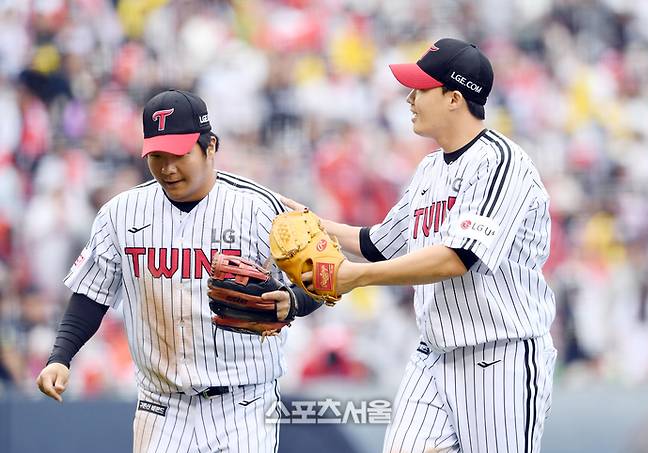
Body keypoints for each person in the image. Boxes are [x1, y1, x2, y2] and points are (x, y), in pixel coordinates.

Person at [285, 38, 557, 453]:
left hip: (499, 357)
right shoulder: (430, 169)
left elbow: (456, 259)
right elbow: (378, 245)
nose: (409, 98)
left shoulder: (502, 162)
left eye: (421, 89)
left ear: (454, 97)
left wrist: (355, 278)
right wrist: (313, 222)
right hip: (433, 355)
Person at [36, 89, 322, 453]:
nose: (167, 168)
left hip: (244, 402)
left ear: (211, 146)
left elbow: (322, 281)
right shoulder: (120, 214)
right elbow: (91, 295)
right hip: (161, 406)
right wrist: (60, 357)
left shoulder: (260, 208)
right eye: (156, 156)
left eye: (179, 154)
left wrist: (292, 302)